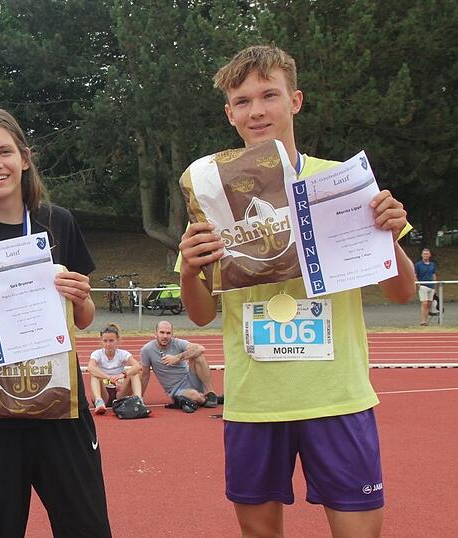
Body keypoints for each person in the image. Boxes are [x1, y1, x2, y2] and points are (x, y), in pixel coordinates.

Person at [178, 45, 416, 537]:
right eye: (242, 101)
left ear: (296, 100)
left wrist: (390, 239)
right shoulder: (211, 195)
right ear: (229, 113)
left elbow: (400, 294)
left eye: (269, 95)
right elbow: (200, 315)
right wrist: (189, 272)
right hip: (255, 401)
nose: (257, 110)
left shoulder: (342, 181)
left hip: (337, 396)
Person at [0, 107, 111, 537]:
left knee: (87, 527)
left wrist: (81, 298)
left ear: (24, 158)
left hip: (60, 408)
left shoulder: (57, 221)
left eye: (4, 151)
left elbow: (83, 319)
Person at [139, 320, 219, 413]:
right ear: (155, 334)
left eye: (168, 333)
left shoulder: (177, 343)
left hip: (190, 378)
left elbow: (200, 348)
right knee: (195, 395)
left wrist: (177, 358)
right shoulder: (147, 350)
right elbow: (145, 375)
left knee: (197, 355)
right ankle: (203, 400)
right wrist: (139, 398)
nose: (165, 336)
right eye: (162, 332)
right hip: (176, 389)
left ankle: (211, 394)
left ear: (172, 334)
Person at [87, 323, 142, 415]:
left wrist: (123, 375)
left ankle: (139, 400)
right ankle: (99, 401)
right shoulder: (97, 354)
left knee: (134, 373)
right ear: (101, 341)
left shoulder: (123, 354)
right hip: (103, 392)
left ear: (118, 341)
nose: (108, 344)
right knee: (94, 374)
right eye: (105, 341)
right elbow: (90, 367)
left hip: (119, 392)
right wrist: (109, 378)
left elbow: (137, 366)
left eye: (111, 340)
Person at [415, 247, 438, 325]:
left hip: (431, 286)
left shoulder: (432, 264)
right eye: (424, 254)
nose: (425, 255)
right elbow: (415, 275)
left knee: (429, 303)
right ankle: (422, 320)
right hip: (423, 286)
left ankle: (426, 320)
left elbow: (433, 275)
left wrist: (435, 286)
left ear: (430, 255)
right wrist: (418, 284)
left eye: (427, 254)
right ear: (422, 255)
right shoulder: (418, 265)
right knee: (424, 303)